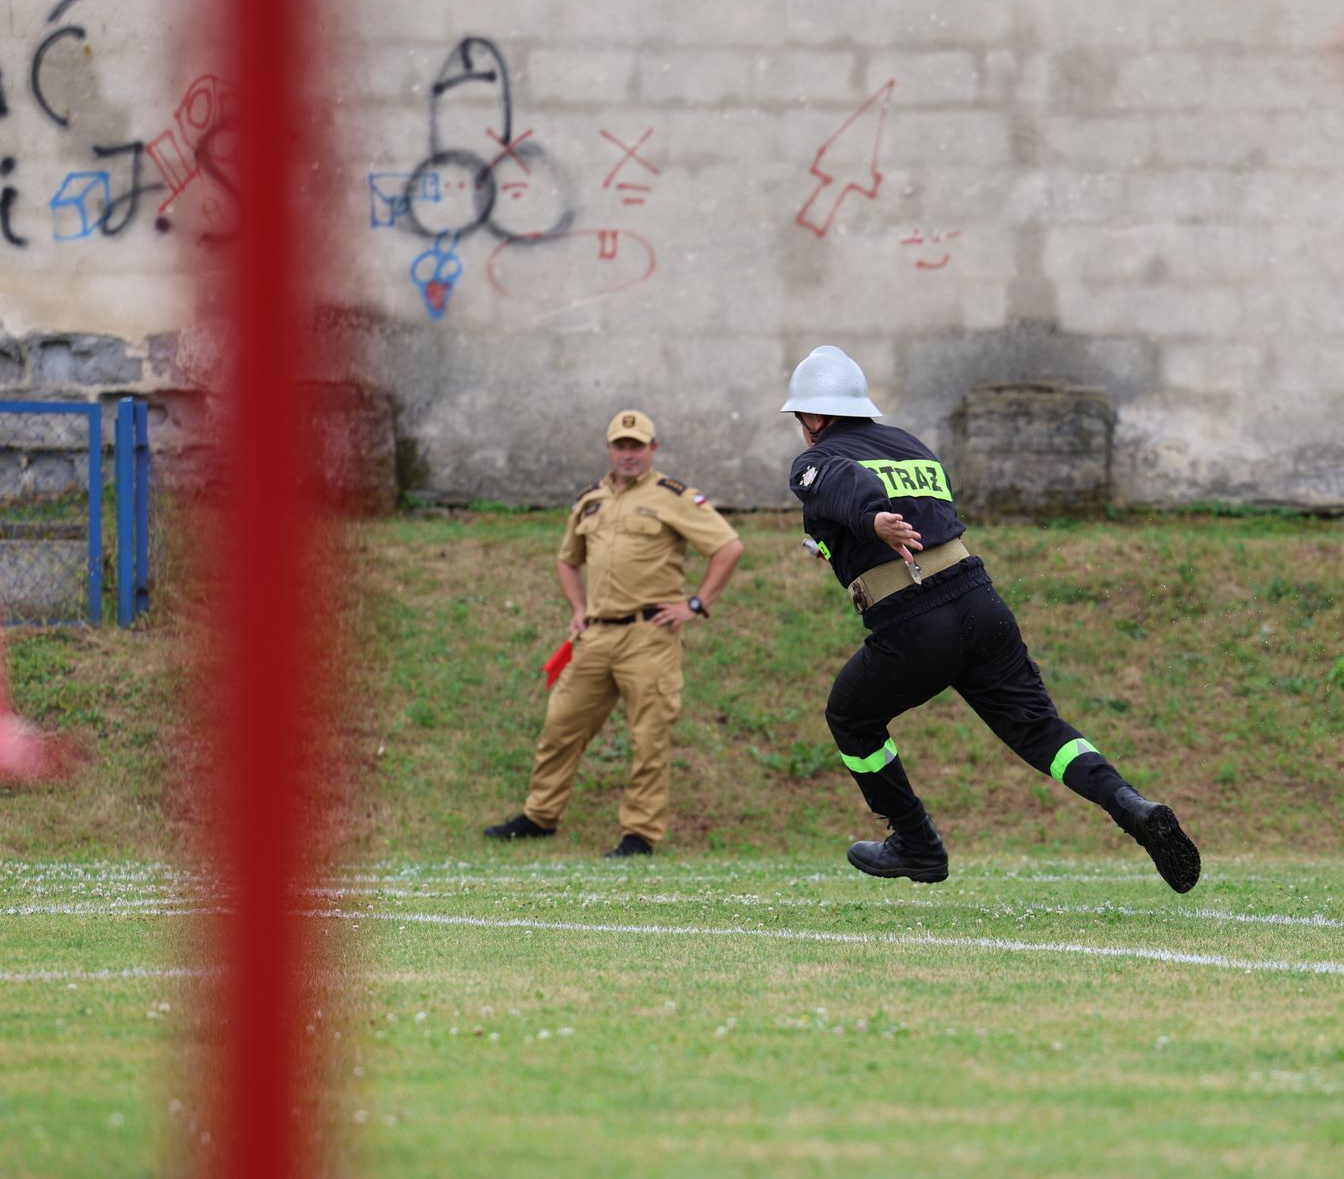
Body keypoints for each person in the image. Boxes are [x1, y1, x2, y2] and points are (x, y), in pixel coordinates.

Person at [781, 345, 1201, 892]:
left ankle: (917, 843)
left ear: (814, 418)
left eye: (800, 419)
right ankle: (1129, 805)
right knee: (1040, 729)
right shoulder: (910, 445)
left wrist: (871, 519)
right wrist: (846, 536)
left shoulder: (818, 459)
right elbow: (910, 514)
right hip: (979, 601)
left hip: (915, 619)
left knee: (851, 717)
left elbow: (842, 486)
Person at [484, 408, 744, 857]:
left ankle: (639, 835)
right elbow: (568, 559)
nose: (628, 454)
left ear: (652, 449)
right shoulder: (590, 500)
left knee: (649, 736)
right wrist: (579, 608)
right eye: (620, 445)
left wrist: (695, 604)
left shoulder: (674, 496)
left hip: (649, 635)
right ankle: (539, 816)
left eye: (637, 445)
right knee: (560, 725)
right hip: (596, 637)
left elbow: (728, 547)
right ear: (609, 449)